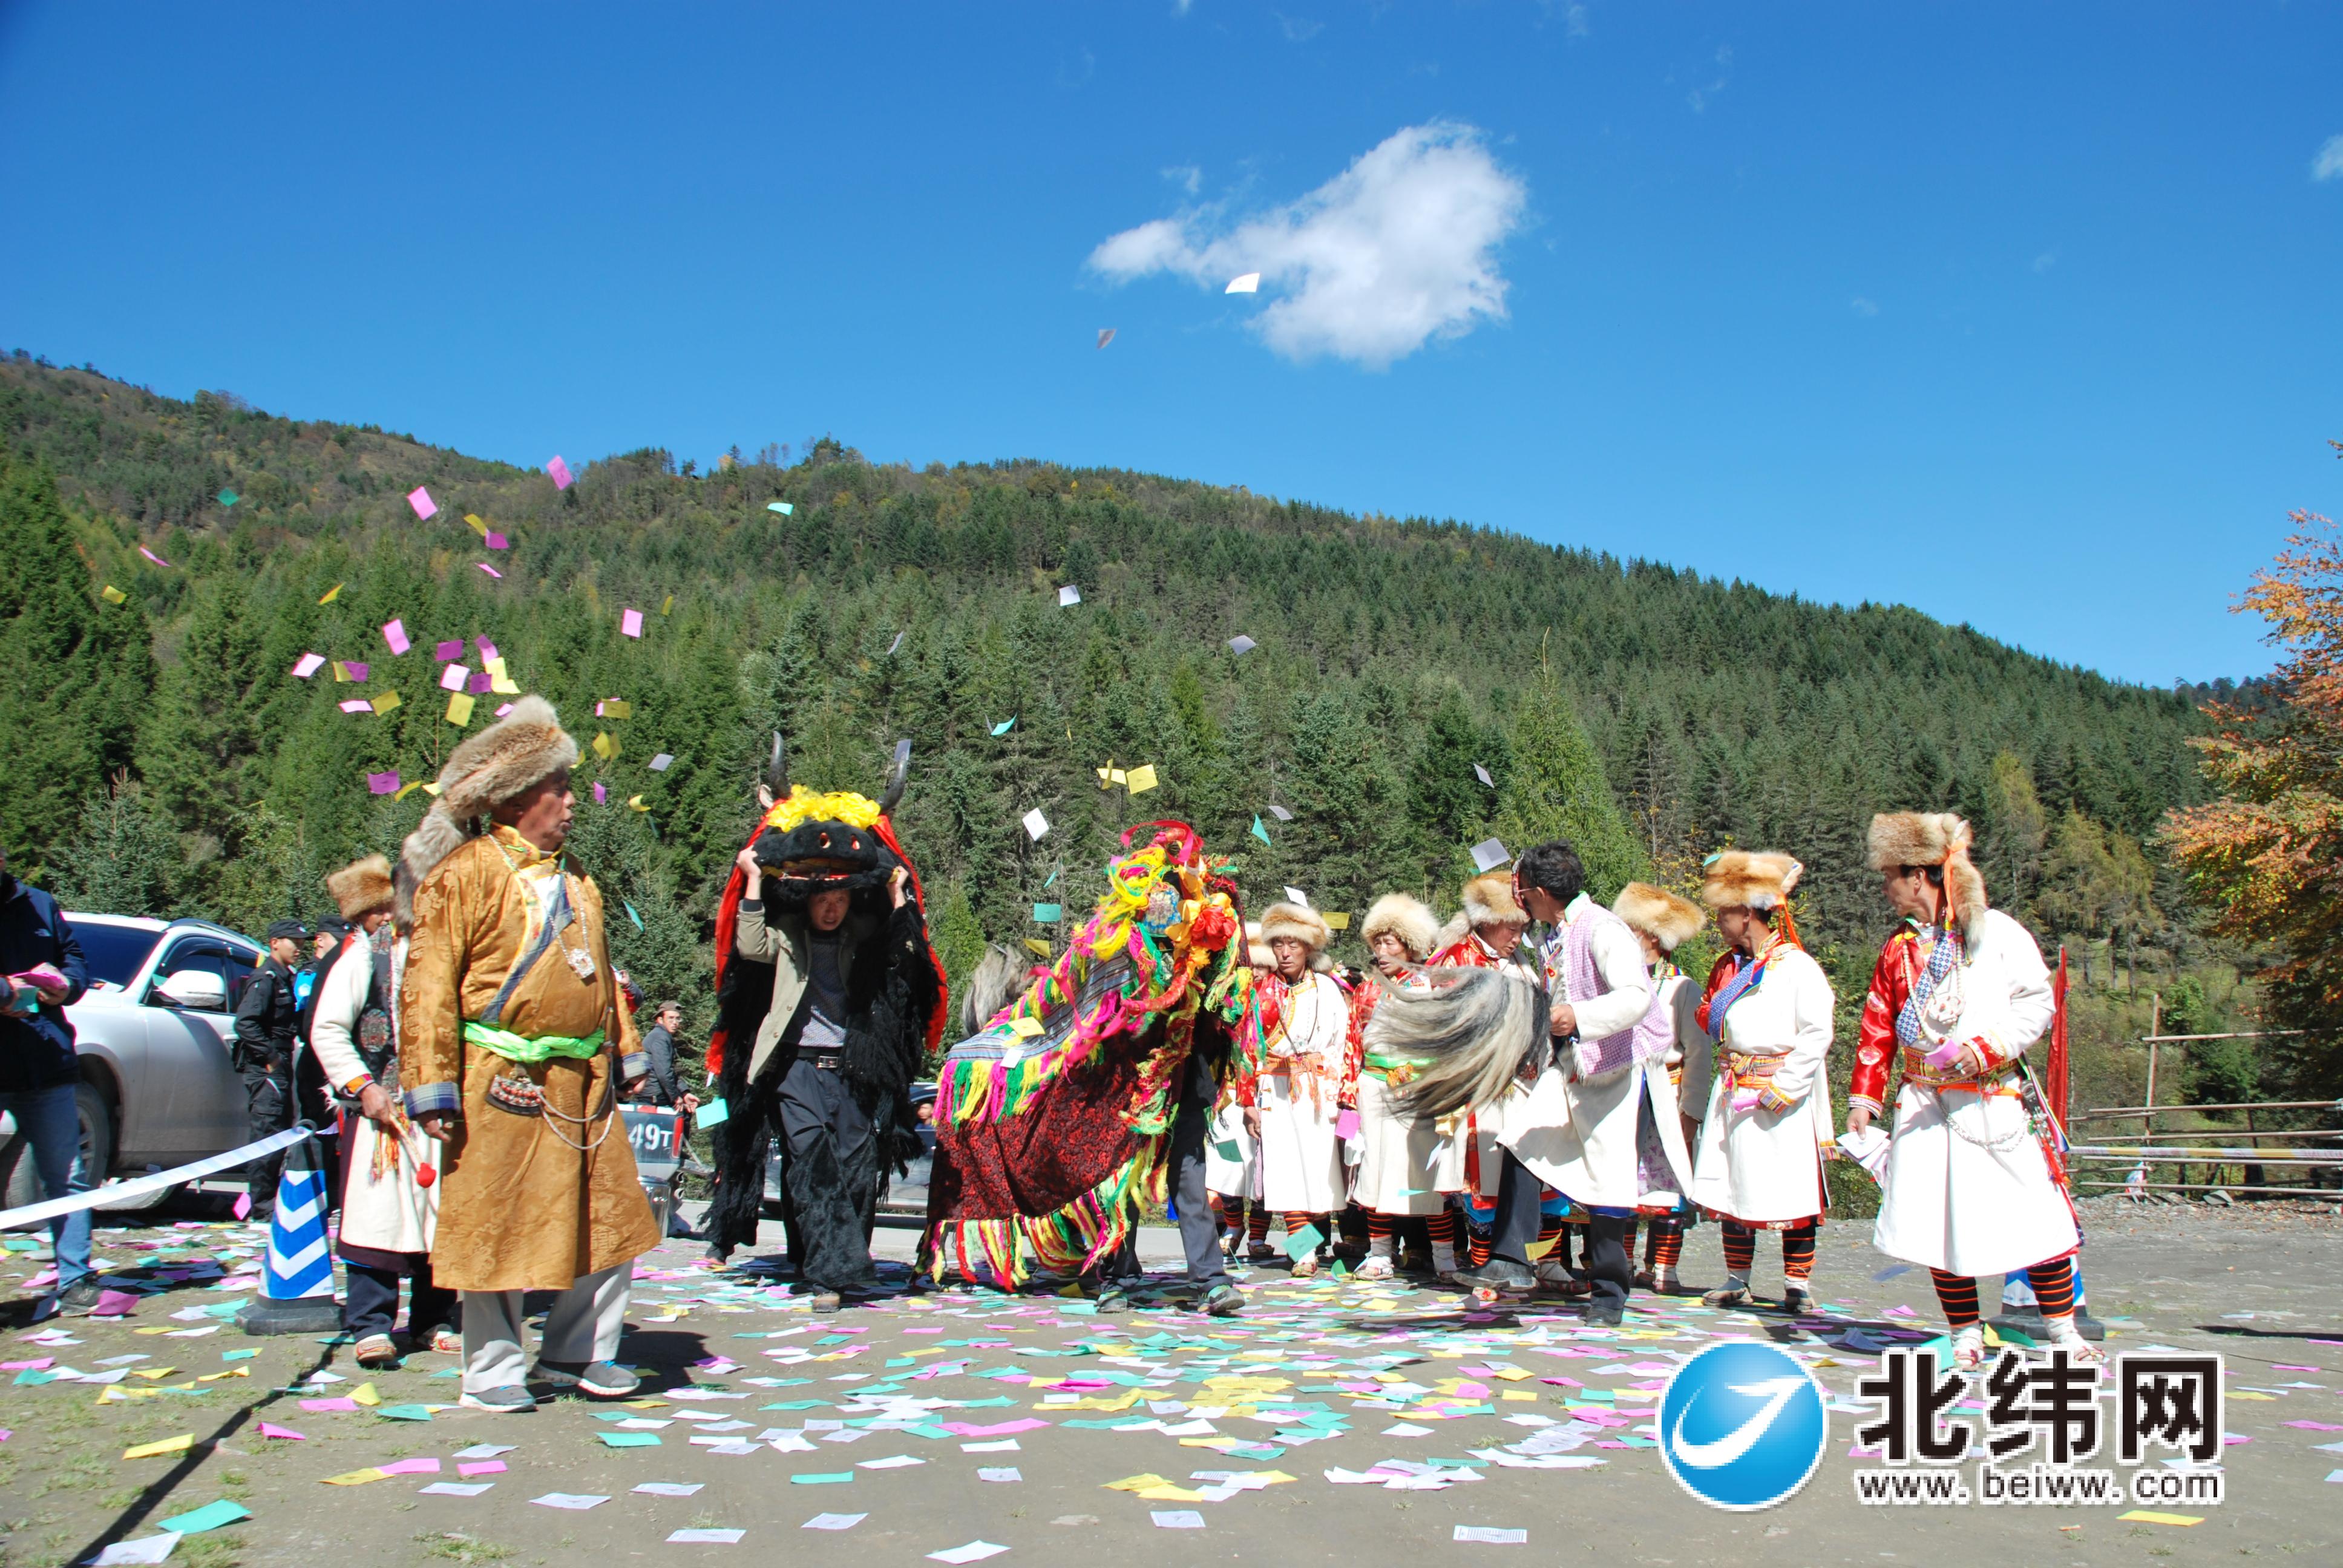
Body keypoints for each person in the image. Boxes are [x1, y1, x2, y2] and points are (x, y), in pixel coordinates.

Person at [396, 696, 661, 1411]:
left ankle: (580, 1352)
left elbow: (600, 977)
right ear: (517, 798)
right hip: (500, 1079)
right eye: (559, 790)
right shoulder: (463, 876)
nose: (572, 804)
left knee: (608, 1219)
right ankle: (492, 1373)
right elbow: (426, 988)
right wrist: (433, 1088)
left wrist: (627, 1054)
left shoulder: (580, 881)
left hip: (583, 1081)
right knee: (496, 1224)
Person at [701, 745, 942, 1313]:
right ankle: (827, 1273)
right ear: (809, 900)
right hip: (795, 1066)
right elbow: (749, 946)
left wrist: (897, 893)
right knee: (812, 1156)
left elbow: (903, 954)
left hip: (852, 1067)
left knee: (858, 1159)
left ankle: (840, 1255)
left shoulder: (863, 940)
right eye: (823, 901)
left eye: (839, 900)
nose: (830, 910)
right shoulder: (786, 936)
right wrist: (754, 881)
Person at [1853, 812, 2097, 1367]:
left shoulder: (1998, 933)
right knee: (1941, 1223)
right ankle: (1964, 1332)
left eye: (1890, 875)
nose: (1885, 888)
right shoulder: (1899, 948)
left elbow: (2037, 1003)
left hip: (1992, 1097)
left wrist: (1984, 1048)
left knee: (2034, 1214)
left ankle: (2063, 1331)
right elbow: (1878, 1023)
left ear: (1918, 876)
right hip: (1925, 1103)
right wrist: (1864, 1097)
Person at [307, 854, 456, 1368]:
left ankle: (432, 1319)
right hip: (383, 1114)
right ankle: (371, 1325)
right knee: (378, 1220)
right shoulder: (365, 957)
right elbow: (327, 1027)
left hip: (439, 1110)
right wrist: (363, 1085)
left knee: (437, 1221)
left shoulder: (450, 954)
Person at [1685, 851, 1836, 1313]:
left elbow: (1818, 1031)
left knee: (1792, 1188)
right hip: (1735, 1087)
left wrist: (1787, 1086)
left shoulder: (1796, 967)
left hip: (1781, 1091)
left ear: (1747, 913)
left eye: (1724, 914)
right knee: (1734, 1183)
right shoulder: (1729, 968)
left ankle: (1797, 1284)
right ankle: (1737, 1278)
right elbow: (1712, 1017)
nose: (1719, 923)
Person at [0, 847, 97, 1316]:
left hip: (45, 1062)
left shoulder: (38, 903)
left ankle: (76, 1279)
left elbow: (74, 958)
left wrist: (68, 985)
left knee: (67, 1177)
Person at [1427, 871, 1536, 1274]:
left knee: (1522, 1175)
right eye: (1511, 928)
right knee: (1483, 1179)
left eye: (1521, 929)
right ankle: (1484, 1265)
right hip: (1481, 1087)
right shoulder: (1457, 961)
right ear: (1488, 922)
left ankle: (1526, 1264)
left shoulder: (1522, 962)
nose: (1515, 937)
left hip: (1522, 1086)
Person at [1349, 893, 1455, 1280]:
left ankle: (1444, 1259)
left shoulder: (1431, 986)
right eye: (1376, 943)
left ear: (1409, 946)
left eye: (1389, 942)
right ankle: (1379, 1254)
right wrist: (1348, 1094)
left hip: (1418, 1090)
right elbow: (1352, 1042)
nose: (1380, 951)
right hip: (1374, 1087)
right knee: (1375, 1171)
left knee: (1424, 1175)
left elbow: (1442, 1039)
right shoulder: (1365, 989)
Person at [1610, 882, 1709, 1295]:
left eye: (1631, 930)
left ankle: (1664, 1267)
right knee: (1623, 1181)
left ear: (1651, 935)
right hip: (1624, 1093)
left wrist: (1692, 1111)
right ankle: (1625, 1264)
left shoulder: (1682, 987)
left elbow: (1699, 1052)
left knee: (1666, 1181)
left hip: (1664, 1097)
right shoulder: (1620, 984)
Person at [1245, 901, 1351, 1277]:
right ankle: (1301, 1253)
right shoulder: (1261, 993)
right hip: (1274, 1090)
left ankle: (1316, 1245)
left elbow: (1344, 1043)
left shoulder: (1328, 989)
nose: (1285, 953)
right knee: (1286, 1171)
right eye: (1279, 945)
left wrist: (1342, 1095)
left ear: (1308, 948)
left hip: (1320, 1092)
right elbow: (1247, 1051)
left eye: (1293, 945)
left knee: (1321, 1174)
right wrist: (1249, 1103)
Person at [232, 917, 308, 1223]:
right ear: (275, 943)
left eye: (302, 944)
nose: (299, 949)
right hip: (266, 1069)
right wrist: (270, 1057)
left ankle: (267, 1204)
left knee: (278, 1133)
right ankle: (261, 1210)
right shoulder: (265, 979)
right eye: (294, 942)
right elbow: (245, 1022)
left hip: (280, 1062)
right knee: (267, 1135)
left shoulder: (285, 978)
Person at [1206, 924, 1271, 1264]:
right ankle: (1234, 1227)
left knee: (1265, 1171)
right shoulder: (1230, 1000)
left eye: (1264, 966)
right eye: (1253, 966)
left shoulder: (1280, 1000)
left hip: (1271, 1093)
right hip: (1230, 1094)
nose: (1257, 973)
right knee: (1228, 1165)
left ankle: (1259, 1237)